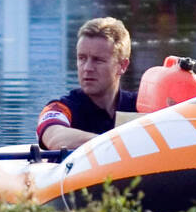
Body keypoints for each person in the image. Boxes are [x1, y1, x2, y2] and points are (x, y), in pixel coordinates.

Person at [37, 17, 136, 152]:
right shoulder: (60, 107)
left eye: (98, 60)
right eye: (82, 58)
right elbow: (54, 138)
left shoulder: (140, 106)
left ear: (122, 66)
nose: (87, 68)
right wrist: (115, 144)